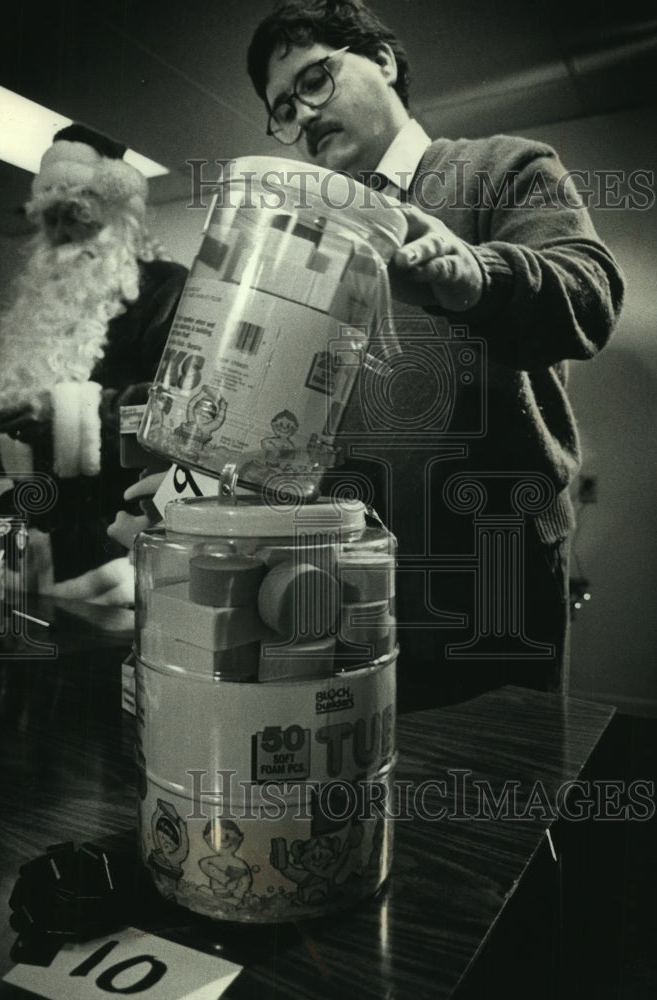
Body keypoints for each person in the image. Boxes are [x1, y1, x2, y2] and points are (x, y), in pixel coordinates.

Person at [246, 0, 625, 708]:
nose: (299, 117)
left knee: (499, 796)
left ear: (382, 60)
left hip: (493, 566)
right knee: (366, 777)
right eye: (282, 109)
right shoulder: (320, 232)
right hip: (348, 573)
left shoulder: (503, 167)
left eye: (313, 81)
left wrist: (477, 275)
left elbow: (591, 291)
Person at [0, 124, 187, 588]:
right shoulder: (39, 304)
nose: (60, 233)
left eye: (74, 216)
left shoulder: (165, 286)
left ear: (114, 215)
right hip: (48, 539)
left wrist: (65, 411)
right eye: (49, 219)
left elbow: (176, 409)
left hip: (121, 541)